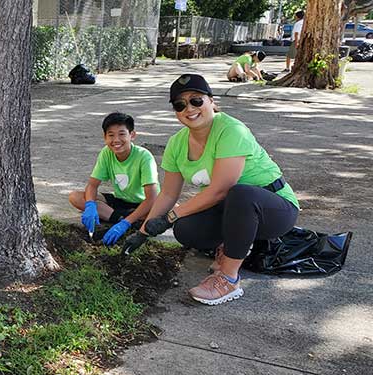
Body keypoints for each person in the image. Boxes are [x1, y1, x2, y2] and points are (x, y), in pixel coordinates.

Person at [122, 74, 299, 306]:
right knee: (186, 230)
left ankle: (228, 278)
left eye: (196, 100)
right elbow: (168, 194)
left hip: (274, 209)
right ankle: (232, 244)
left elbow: (220, 190)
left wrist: (171, 216)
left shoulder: (231, 130)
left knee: (240, 193)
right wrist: (142, 233)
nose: (189, 108)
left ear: (211, 101)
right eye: (180, 104)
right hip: (231, 210)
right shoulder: (177, 143)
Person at [68, 112, 159, 246]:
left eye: (122, 134)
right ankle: (126, 218)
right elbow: (92, 185)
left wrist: (125, 223)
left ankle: (126, 219)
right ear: (105, 137)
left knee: (165, 210)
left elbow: (152, 198)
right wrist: (90, 206)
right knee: (75, 197)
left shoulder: (144, 156)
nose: (116, 140)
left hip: (144, 204)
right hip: (120, 200)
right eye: (111, 135)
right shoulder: (106, 153)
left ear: (132, 135)